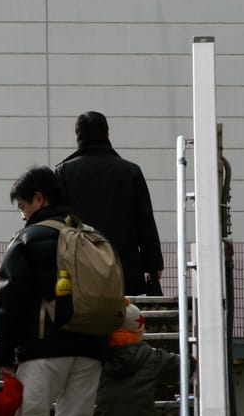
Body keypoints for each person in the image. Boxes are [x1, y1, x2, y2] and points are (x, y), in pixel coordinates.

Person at [0, 166, 108, 416]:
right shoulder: (90, 236)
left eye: (23, 205)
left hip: (44, 347)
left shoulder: (29, 239)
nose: (23, 213)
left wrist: (3, 355)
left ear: (39, 199)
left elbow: (10, 302)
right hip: (91, 346)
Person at [54, 110, 164, 296]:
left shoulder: (63, 173)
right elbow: (145, 221)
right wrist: (153, 265)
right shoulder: (131, 172)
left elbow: (57, 223)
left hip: (80, 269)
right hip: (124, 269)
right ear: (107, 134)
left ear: (77, 137)